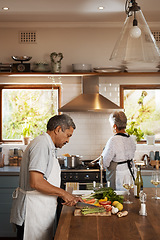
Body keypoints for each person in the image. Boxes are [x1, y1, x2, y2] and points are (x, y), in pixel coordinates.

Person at [10, 114, 82, 240]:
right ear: (58, 129)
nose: (68, 141)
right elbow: (36, 182)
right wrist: (63, 193)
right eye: (68, 135)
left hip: (41, 210)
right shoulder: (41, 144)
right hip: (32, 212)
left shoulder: (49, 145)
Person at [102, 111, 136, 191]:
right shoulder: (131, 139)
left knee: (118, 199)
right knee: (129, 198)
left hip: (118, 176)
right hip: (130, 173)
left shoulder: (113, 140)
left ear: (114, 126)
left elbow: (105, 163)